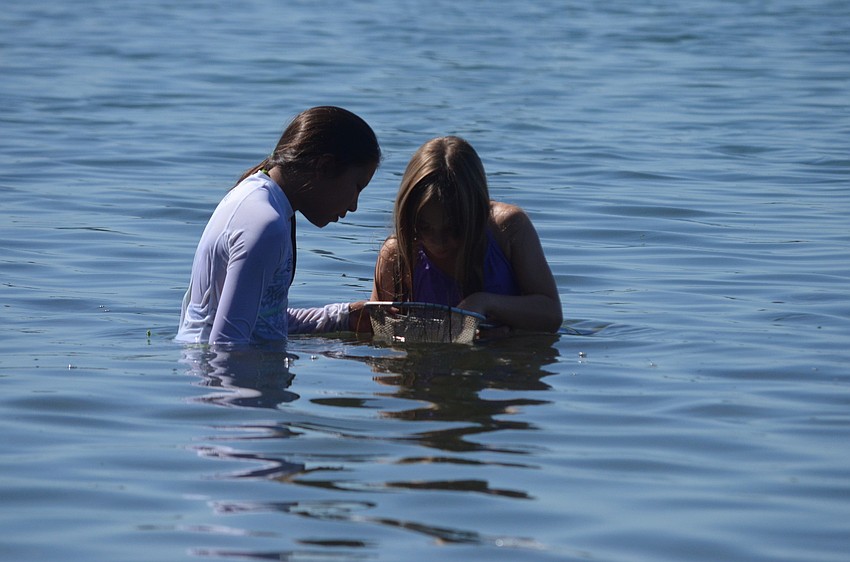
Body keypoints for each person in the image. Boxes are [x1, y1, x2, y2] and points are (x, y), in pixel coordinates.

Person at [177, 106, 380, 345]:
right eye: (357, 187)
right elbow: (226, 345)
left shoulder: (261, 201)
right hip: (232, 378)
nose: (354, 206)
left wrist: (344, 318)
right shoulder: (266, 224)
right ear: (324, 167)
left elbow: (263, 322)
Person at [371, 136, 562, 334]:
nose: (438, 242)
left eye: (452, 229)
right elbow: (378, 335)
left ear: (476, 214)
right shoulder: (396, 255)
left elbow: (551, 314)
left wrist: (484, 303)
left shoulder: (509, 229)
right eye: (424, 227)